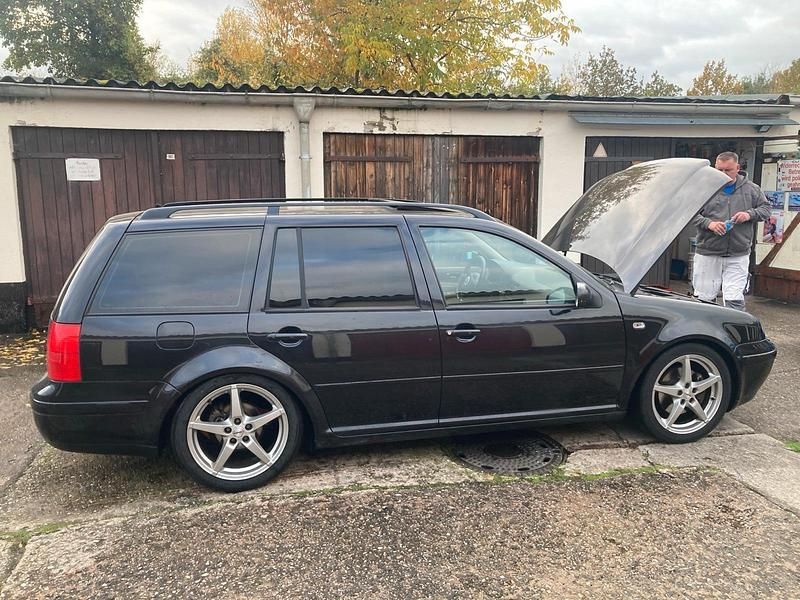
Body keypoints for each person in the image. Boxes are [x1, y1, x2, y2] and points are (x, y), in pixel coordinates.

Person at [691, 151, 770, 311]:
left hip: (738, 254)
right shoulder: (702, 188)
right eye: (719, 170)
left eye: (728, 170)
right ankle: (704, 333)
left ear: (738, 168)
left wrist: (749, 214)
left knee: (734, 299)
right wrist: (709, 224)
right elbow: (688, 214)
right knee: (704, 299)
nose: (723, 174)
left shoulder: (752, 189)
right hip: (708, 252)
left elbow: (766, 209)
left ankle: (734, 334)